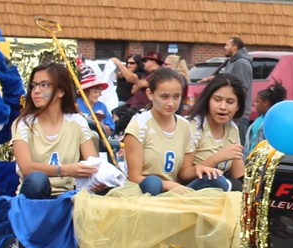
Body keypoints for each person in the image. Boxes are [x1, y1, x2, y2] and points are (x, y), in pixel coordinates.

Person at [11, 62, 106, 200]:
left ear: (61, 91)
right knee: (37, 179)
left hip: (69, 195)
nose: (36, 91)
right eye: (34, 85)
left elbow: (94, 164)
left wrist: (100, 178)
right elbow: (26, 167)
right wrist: (65, 170)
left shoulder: (77, 122)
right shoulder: (23, 123)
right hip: (34, 195)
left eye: (44, 85)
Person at [124, 68, 226, 196]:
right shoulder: (139, 124)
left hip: (176, 190)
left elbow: (183, 173)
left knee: (216, 179)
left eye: (176, 97)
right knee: (154, 183)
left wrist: (198, 169)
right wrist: (166, 184)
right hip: (146, 191)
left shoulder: (184, 125)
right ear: (150, 94)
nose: (171, 103)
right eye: (164, 97)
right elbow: (134, 177)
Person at [186, 73, 246, 191]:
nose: (223, 107)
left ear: (238, 106)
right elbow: (183, 175)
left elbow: (240, 178)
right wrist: (218, 157)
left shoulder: (232, 129)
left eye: (230, 102)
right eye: (217, 100)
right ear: (208, 100)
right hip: (190, 189)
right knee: (215, 179)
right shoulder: (192, 126)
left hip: (217, 190)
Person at [199, 37, 253, 146]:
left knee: (237, 150)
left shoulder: (241, 63)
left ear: (234, 48)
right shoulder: (232, 62)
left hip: (238, 116)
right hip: (229, 114)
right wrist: (213, 78)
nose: (224, 47)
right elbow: (228, 79)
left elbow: (241, 88)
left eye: (227, 45)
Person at [243, 81, 287, 159]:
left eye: (257, 101)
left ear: (265, 103)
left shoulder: (272, 121)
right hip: (250, 158)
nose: (254, 104)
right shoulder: (260, 118)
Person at [76, 63, 115, 135]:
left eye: (99, 92)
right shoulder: (76, 104)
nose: (98, 95)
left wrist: (99, 124)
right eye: (95, 92)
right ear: (86, 92)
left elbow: (110, 130)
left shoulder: (102, 106)